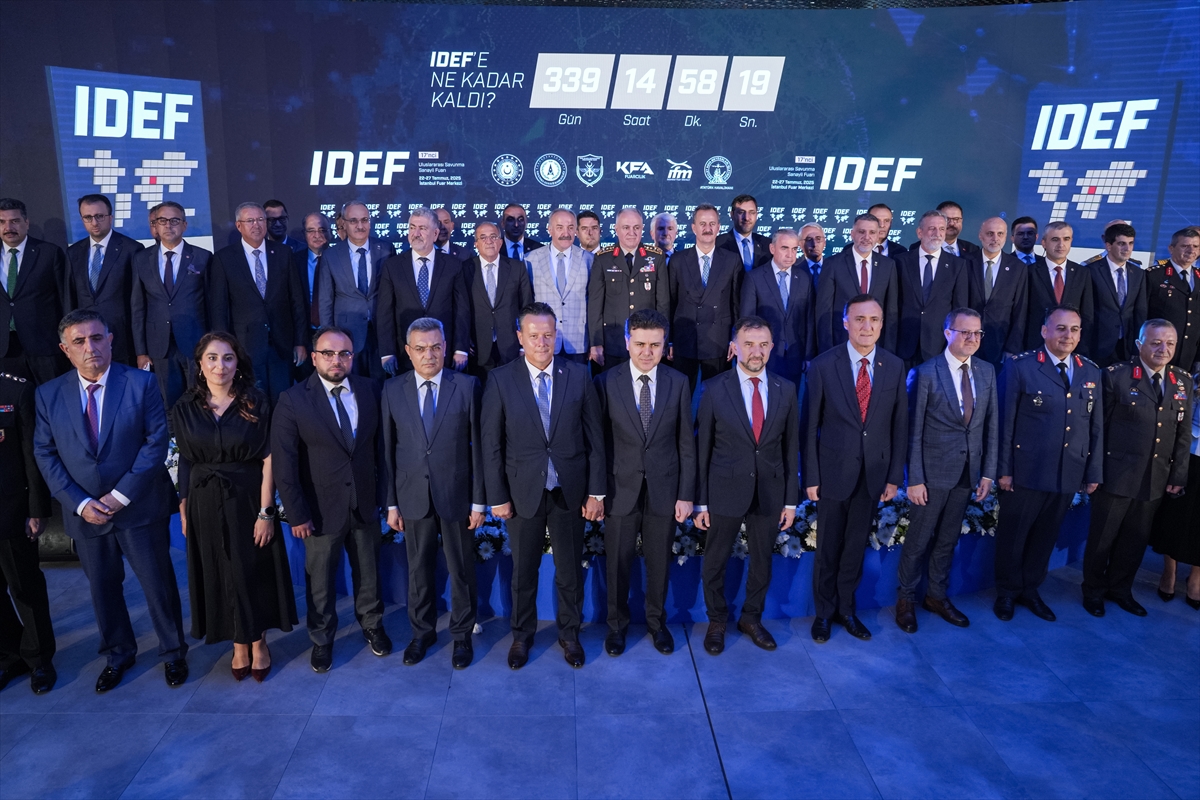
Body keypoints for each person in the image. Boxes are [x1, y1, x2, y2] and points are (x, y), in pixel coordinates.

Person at [33, 310, 187, 692]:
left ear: (111, 339)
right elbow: (45, 453)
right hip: (85, 514)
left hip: (139, 507)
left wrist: (119, 497)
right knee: (103, 590)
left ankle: (173, 652)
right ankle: (118, 654)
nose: (90, 347)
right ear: (65, 349)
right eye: (79, 341)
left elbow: (156, 442)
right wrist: (81, 504)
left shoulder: (141, 383)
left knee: (158, 586)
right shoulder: (48, 394)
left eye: (97, 337)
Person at [481, 302, 606, 670]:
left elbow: (595, 440)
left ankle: (570, 635)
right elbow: (491, 445)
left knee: (570, 571)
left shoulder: (579, 375)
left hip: (569, 492)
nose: (541, 342)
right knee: (523, 573)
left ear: (557, 336)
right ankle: (522, 636)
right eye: (534, 335)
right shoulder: (500, 380)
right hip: (521, 494)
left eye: (548, 335)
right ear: (520, 337)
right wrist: (497, 496)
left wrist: (596, 492)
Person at [173, 332, 295, 682]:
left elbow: (269, 458)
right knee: (219, 571)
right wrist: (184, 507)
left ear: (237, 363)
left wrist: (266, 512)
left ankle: (258, 642)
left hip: (248, 498)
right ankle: (238, 643)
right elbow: (186, 460)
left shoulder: (257, 402)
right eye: (212, 358)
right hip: (204, 499)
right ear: (199, 364)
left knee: (251, 570)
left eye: (227, 358)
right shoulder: (184, 407)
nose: (220, 365)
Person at [272, 326, 391, 673]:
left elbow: (382, 451)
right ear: (314, 357)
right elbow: (284, 464)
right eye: (328, 353)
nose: (336, 360)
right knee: (321, 582)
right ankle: (322, 640)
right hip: (319, 510)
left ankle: (372, 624)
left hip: (365, 503)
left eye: (344, 354)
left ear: (352, 357)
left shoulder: (371, 389)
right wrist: (297, 514)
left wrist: (385, 499)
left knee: (369, 573)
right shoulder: (293, 399)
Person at [382, 318, 485, 669]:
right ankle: (421, 633)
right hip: (412, 495)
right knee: (418, 570)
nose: (429, 355)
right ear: (408, 352)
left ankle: (462, 636)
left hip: (456, 495)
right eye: (421, 348)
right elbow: (387, 450)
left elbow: (479, 448)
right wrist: (391, 502)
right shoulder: (392, 390)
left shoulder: (467, 386)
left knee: (461, 569)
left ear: (445, 348)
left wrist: (478, 501)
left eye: (436, 347)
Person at [804, 295, 907, 642]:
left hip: (873, 475)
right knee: (828, 548)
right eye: (860, 319)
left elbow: (899, 425)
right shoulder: (823, 365)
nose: (867, 326)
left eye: (874, 320)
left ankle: (846, 610)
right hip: (833, 473)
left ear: (882, 324)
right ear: (846, 323)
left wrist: (894, 476)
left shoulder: (894, 366)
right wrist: (811, 476)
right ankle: (823, 613)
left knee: (854, 548)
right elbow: (809, 426)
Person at [694, 316, 798, 654]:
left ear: (771, 347)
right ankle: (717, 621)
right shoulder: (714, 389)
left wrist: (791, 501)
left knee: (762, 561)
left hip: (769, 491)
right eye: (749, 344)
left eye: (763, 344)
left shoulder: (786, 389)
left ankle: (752, 619)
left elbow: (790, 447)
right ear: (734, 348)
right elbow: (702, 449)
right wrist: (701, 502)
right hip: (724, 490)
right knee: (715, 561)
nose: (756, 351)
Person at [594, 310, 695, 656]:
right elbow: (598, 444)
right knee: (617, 564)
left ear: (665, 345)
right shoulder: (605, 382)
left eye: (655, 345)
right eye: (640, 344)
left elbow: (686, 443)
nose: (647, 352)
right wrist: (597, 492)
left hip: (664, 491)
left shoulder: (678, 382)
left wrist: (686, 494)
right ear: (627, 342)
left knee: (659, 563)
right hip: (619, 489)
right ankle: (616, 627)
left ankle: (656, 623)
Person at [995, 305, 1102, 622]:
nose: (1068, 335)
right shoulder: (1021, 367)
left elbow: (1095, 427)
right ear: (1044, 331)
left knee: (1045, 537)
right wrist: (1004, 469)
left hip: (1067, 472)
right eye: (1061, 328)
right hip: (1026, 470)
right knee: (1014, 536)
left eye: (1074, 329)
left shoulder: (1090, 371)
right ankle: (1007, 591)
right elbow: (1004, 423)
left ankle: (1031, 589)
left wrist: (1093, 471)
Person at [895, 309, 998, 633]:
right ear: (947, 333)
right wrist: (915, 479)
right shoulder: (925, 373)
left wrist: (988, 473)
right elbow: (912, 432)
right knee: (918, 541)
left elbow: (992, 426)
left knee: (947, 540)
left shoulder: (987, 371)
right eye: (965, 332)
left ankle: (936, 596)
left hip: (967, 473)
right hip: (931, 476)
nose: (972, 338)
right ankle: (905, 600)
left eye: (977, 333)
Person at [1082, 320, 1191, 617]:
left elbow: (1182, 435)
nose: (1163, 349)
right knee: (1102, 538)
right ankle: (1093, 591)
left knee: (1135, 540)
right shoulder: (1115, 376)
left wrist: (1178, 475)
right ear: (1139, 344)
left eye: (1169, 343)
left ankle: (1120, 589)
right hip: (1115, 475)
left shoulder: (1182, 381)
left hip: (1155, 476)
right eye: (1155, 342)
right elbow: (1097, 429)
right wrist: (1094, 472)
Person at [208, 202, 308, 406]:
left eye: (261, 219)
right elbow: (219, 308)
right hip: (245, 346)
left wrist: (300, 342)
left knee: (284, 402)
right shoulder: (224, 258)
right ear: (239, 225)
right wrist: (224, 348)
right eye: (250, 220)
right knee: (253, 403)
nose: (257, 225)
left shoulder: (284, 253)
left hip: (282, 345)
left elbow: (297, 300)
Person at [0, 370, 56, 694]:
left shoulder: (15, 391)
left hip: (9, 511)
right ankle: (10, 655)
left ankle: (39, 660)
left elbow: (32, 456)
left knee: (25, 588)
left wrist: (37, 509)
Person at [131, 201, 210, 411]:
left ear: (184, 225)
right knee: (168, 404)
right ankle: (174, 434)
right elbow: (138, 308)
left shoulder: (203, 257)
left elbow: (212, 304)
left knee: (200, 400)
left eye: (174, 220)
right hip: (159, 345)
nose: (168, 225)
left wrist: (212, 343)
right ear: (155, 225)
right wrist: (141, 351)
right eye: (162, 220)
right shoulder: (141, 259)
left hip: (196, 342)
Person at [376, 207, 470, 376]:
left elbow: (462, 310)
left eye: (422, 228)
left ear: (435, 234)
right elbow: (385, 312)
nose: (416, 233)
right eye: (412, 227)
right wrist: (387, 352)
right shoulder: (393, 266)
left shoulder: (453, 265)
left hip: (443, 351)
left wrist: (460, 349)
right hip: (405, 353)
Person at [669, 204, 741, 396]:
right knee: (680, 397)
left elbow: (736, 303)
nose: (707, 228)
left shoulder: (732, 260)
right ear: (693, 228)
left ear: (718, 227)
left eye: (712, 224)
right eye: (702, 224)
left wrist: (735, 338)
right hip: (684, 341)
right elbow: (671, 302)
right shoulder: (678, 260)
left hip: (719, 342)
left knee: (717, 399)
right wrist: (669, 340)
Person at [66, 194, 144, 366]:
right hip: (86, 342)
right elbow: (70, 299)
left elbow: (137, 301)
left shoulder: (131, 249)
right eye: (88, 217)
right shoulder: (73, 252)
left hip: (121, 338)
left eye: (99, 216)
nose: (94, 222)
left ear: (110, 217)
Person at [0, 198, 70, 385]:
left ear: (26, 223)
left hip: (44, 346)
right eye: (2, 222)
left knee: (52, 396)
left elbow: (65, 299)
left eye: (15, 221)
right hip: (5, 349)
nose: (8, 227)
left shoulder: (49, 253)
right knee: (14, 402)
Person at [588, 208, 669, 370]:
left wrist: (663, 340)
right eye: (626, 227)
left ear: (642, 229)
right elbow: (595, 305)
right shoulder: (603, 258)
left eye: (636, 227)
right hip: (613, 341)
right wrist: (596, 342)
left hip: (647, 344)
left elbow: (663, 304)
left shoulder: (656, 257)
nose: (632, 232)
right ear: (616, 229)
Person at [318, 202, 391, 380]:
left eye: (364, 220)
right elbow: (325, 300)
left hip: (381, 332)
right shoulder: (331, 255)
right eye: (354, 221)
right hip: (346, 334)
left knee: (382, 386)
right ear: (344, 223)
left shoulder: (386, 249)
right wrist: (329, 338)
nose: (360, 226)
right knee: (353, 385)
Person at [739, 229, 815, 386]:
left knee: (791, 398)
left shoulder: (804, 278)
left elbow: (809, 320)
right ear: (772, 248)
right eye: (785, 248)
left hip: (795, 355)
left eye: (794, 249)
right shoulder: (754, 278)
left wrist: (808, 355)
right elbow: (747, 321)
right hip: (763, 355)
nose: (790, 255)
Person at [1150, 369, 1200, 609]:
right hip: (1188, 456)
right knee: (1174, 517)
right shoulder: (1192, 380)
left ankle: (1196, 579)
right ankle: (1169, 572)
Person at [815, 213, 899, 354]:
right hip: (840, 344)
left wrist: (889, 351)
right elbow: (824, 311)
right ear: (852, 234)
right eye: (861, 232)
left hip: (876, 346)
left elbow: (891, 312)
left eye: (872, 232)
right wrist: (826, 352)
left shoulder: (888, 265)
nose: (867, 237)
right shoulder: (833, 264)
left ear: (878, 236)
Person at [895, 211, 969, 367]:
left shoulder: (957, 265)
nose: (937, 233)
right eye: (932, 228)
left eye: (941, 229)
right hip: (904, 345)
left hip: (939, 346)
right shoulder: (901, 261)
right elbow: (893, 305)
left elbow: (958, 309)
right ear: (919, 232)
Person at [461, 221, 532, 381]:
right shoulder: (465, 269)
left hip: (511, 346)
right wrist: (463, 342)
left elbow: (526, 307)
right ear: (476, 244)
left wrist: (524, 345)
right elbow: (461, 308)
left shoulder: (517, 268)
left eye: (493, 237)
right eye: (483, 237)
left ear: (500, 242)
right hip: (478, 346)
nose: (489, 241)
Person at [526, 209, 592, 365]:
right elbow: (526, 301)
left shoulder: (589, 260)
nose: (566, 233)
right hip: (543, 341)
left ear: (576, 230)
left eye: (570, 227)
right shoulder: (530, 260)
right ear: (550, 229)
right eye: (560, 227)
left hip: (578, 341)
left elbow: (594, 301)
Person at [965, 216, 1028, 366]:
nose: (995, 238)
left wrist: (1012, 347)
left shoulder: (1018, 268)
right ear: (980, 236)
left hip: (1000, 344)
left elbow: (1020, 310)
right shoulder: (965, 262)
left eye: (1000, 234)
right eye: (990, 233)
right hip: (967, 340)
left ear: (1006, 237)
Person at [1022, 222, 1094, 353]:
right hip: (1036, 346)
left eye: (1066, 239)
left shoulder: (1082, 273)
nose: (1061, 244)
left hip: (1071, 347)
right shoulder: (1029, 272)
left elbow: (1087, 314)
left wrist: (1084, 348)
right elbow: (1021, 313)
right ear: (1044, 243)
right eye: (1055, 239)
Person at [1086, 222, 1147, 368]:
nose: (1127, 249)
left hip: (1126, 347)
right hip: (1097, 346)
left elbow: (1140, 313)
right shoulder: (1090, 271)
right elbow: (1086, 312)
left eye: (1130, 243)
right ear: (1108, 245)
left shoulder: (1138, 273)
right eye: (1121, 244)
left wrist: (1137, 348)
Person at [1144, 227, 1200, 372]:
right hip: (1158, 353)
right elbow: (1140, 314)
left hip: (1189, 357)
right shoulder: (1154, 276)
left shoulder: (1199, 277)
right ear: (1171, 248)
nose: (1191, 250)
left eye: (1195, 246)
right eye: (1185, 246)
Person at [293, 212, 330, 381]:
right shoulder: (293, 261)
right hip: (305, 335)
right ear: (304, 234)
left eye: (322, 230)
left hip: (333, 332)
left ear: (330, 232)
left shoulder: (340, 258)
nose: (317, 235)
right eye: (311, 230)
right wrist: (299, 341)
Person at [716, 194, 771, 271]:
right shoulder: (717, 244)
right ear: (732, 215)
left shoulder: (768, 245)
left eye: (752, 212)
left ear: (756, 215)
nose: (746, 218)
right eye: (741, 212)